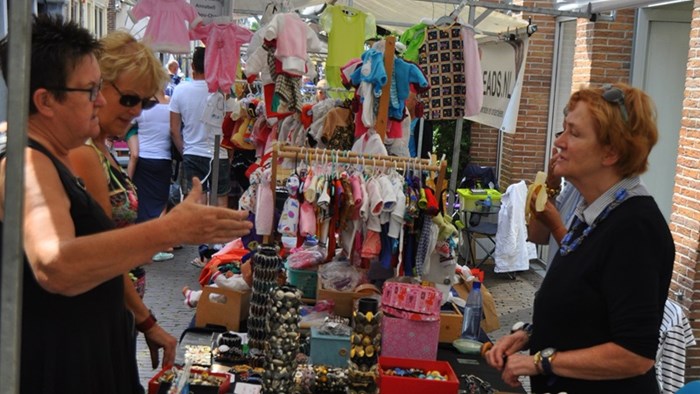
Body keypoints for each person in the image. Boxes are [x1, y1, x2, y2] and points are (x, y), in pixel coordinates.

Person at [0, 15, 252, 393]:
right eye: (89, 90)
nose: (100, 101)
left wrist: (144, 321)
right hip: (60, 364)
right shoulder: (28, 162)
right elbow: (54, 264)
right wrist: (169, 229)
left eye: (101, 88)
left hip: (82, 351)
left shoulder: (51, 157)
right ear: (45, 100)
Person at [485, 83, 675, 393]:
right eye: (563, 130)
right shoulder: (595, 211)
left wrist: (540, 362)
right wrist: (529, 334)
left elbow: (635, 355)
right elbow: (588, 312)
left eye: (573, 133)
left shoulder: (634, 227)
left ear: (610, 152)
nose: (558, 142)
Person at [170, 46, 231, 208]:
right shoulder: (222, 92)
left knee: (198, 199)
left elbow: (174, 129)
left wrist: (184, 150)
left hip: (192, 152)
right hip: (219, 152)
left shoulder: (179, 90)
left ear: (192, 66)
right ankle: (220, 233)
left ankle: (200, 233)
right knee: (220, 199)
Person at [527, 145, 583, 267]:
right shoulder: (573, 187)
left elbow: (584, 265)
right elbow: (537, 236)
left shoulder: (623, 204)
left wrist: (556, 228)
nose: (559, 141)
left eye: (575, 133)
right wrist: (551, 186)